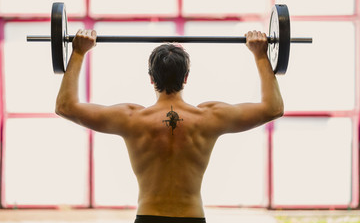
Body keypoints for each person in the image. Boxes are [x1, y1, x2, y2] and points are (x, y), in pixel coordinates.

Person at [56, 29, 284, 223]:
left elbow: (66, 107)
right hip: (192, 217)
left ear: (151, 79)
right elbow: (273, 108)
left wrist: (78, 52)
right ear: (186, 77)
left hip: (148, 217)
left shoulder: (131, 119)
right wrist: (260, 56)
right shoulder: (210, 117)